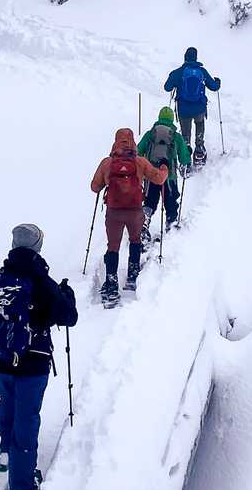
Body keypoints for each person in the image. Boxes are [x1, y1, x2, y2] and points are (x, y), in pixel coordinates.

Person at [0, 223, 78, 490]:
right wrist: (67, 296)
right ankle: (21, 487)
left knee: (8, 401)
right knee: (26, 418)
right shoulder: (42, 281)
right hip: (32, 362)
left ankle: (5, 452)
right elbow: (68, 317)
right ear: (37, 247)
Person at [90, 128, 167, 304]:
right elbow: (159, 179)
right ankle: (133, 275)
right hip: (135, 211)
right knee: (135, 240)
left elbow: (95, 187)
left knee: (113, 246)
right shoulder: (140, 162)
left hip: (113, 213)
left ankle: (111, 284)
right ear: (132, 141)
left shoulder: (107, 163)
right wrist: (164, 169)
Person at [137, 106, 192, 245]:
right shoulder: (176, 136)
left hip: (151, 175)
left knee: (150, 201)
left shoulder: (150, 134)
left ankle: (144, 223)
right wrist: (187, 156)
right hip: (170, 176)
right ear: (172, 119)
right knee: (170, 201)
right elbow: (184, 157)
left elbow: (138, 151)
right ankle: (171, 224)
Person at [163, 46, 220, 166]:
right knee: (199, 126)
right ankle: (199, 152)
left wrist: (174, 80)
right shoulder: (201, 71)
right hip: (199, 108)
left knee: (185, 135)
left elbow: (167, 87)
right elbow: (214, 87)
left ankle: (186, 161)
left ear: (185, 58)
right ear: (196, 57)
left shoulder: (179, 72)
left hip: (184, 110)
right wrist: (217, 82)